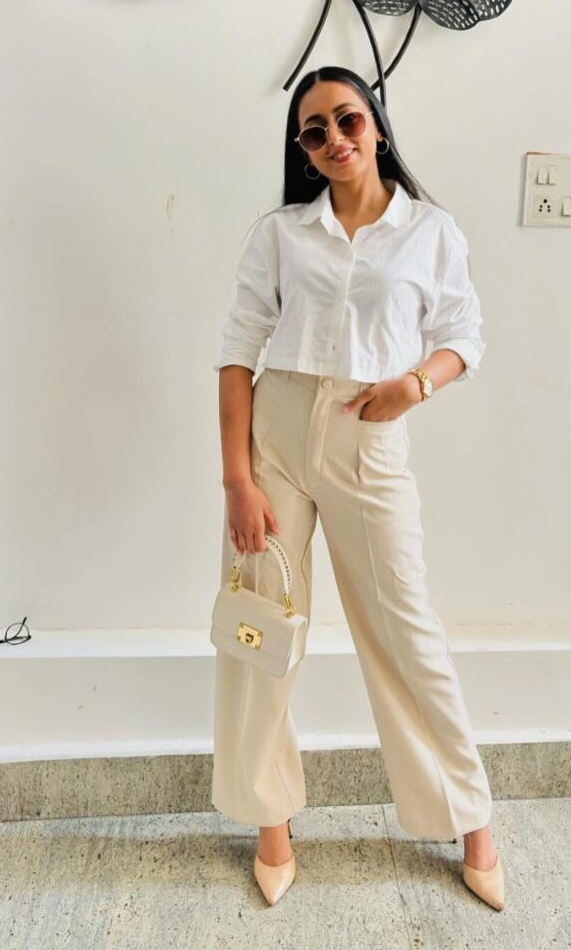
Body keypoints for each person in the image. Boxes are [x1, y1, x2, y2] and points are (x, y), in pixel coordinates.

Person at [211, 65, 504, 911]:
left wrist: (414, 385)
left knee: (405, 629)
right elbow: (236, 353)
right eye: (315, 131)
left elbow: (463, 334)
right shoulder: (280, 233)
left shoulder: (429, 230)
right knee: (261, 628)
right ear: (302, 151)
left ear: (375, 124)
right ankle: (269, 821)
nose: (334, 139)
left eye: (346, 120)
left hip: (367, 436)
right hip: (275, 435)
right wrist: (237, 480)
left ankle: (470, 817)